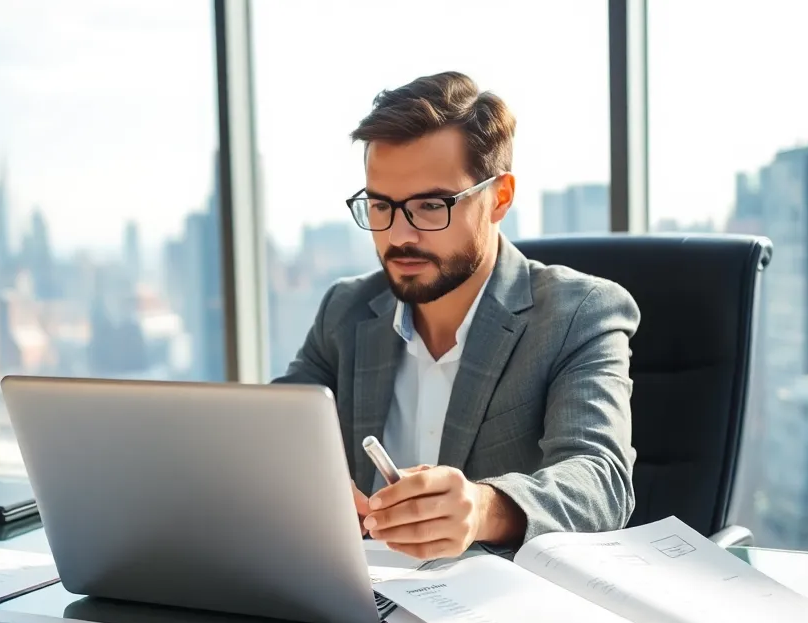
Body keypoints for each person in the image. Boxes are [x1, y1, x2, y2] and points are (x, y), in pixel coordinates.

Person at [274, 71, 639, 561]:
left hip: (500, 611)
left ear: (499, 198)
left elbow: (601, 481)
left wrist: (485, 507)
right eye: (381, 206)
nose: (400, 234)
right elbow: (275, 431)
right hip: (364, 600)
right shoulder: (346, 310)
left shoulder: (579, 314)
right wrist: (304, 481)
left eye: (430, 206)